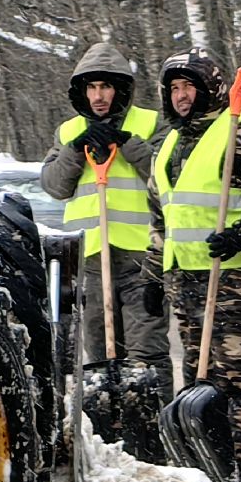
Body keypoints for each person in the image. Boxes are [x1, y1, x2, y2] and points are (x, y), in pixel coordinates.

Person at [144, 49, 241, 482]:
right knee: (199, 379)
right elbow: (162, 218)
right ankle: (209, 467)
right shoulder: (168, 144)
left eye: (188, 86)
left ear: (209, 86)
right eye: (173, 88)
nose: (181, 95)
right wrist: (154, 276)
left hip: (235, 278)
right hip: (185, 282)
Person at [40, 42, 169, 458]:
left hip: (141, 258)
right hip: (91, 262)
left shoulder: (150, 124)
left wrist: (128, 144)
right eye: (91, 87)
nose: (98, 96)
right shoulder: (66, 132)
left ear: (121, 90)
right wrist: (78, 150)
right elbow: (55, 187)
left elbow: (169, 176)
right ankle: (111, 440)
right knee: (97, 356)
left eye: (106, 87)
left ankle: (157, 438)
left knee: (147, 351)